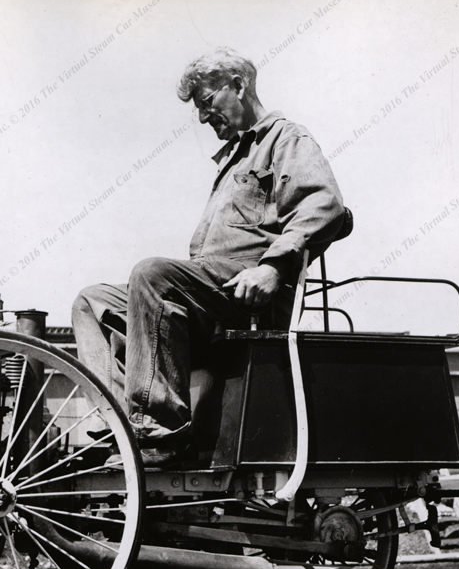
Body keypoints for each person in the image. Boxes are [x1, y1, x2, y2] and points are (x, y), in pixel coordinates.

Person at [72, 47, 348, 469]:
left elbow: (325, 205)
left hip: (246, 299)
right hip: (207, 296)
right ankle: (122, 427)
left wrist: (274, 267)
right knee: (93, 301)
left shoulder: (285, 139)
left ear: (237, 86)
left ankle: (160, 432)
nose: (203, 118)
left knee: (152, 274)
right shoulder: (235, 157)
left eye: (206, 103)